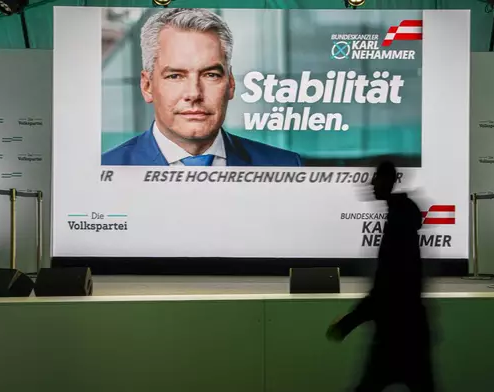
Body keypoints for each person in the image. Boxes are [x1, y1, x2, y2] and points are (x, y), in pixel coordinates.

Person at [102, 8, 302, 167]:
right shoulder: (106, 168)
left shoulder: (284, 165)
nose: (194, 94)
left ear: (230, 83)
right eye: (175, 76)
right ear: (147, 86)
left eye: (210, 75)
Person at [327, 160, 435, 392]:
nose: (372, 183)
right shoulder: (401, 214)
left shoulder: (399, 221)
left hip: (397, 333)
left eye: (376, 178)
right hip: (407, 330)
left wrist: (348, 322)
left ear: (387, 181)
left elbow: (389, 285)